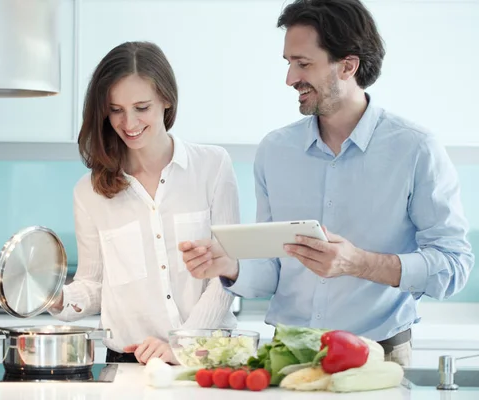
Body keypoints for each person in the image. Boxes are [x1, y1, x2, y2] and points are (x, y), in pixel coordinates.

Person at [179, 0, 474, 367]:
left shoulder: (415, 148)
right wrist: (230, 266)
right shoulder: (275, 150)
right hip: (286, 355)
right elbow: (274, 269)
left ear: (348, 65)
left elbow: (454, 266)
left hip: (376, 357)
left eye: (303, 64)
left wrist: (358, 263)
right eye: (288, 63)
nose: (290, 79)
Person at [49, 41, 239, 365]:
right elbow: (93, 285)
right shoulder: (89, 192)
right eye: (116, 110)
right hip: (130, 363)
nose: (129, 123)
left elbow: (227, 274)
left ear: (166, 99)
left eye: (141, 107)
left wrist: (183, 344)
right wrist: (55, 297)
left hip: (207, 357)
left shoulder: (213, 166)